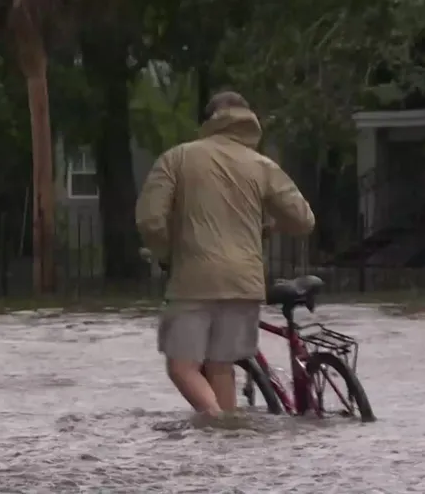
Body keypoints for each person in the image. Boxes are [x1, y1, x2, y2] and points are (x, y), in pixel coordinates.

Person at [135, 91, 315, 417]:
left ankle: (217, 422)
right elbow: (303, 219)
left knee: (182, 367)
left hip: (194, 279)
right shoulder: (262, 165)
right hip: (244, 282)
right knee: (221, 367)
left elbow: (150, 220)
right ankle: (227, 447)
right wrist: (270, 226)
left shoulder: (177, 158)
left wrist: (166, 254)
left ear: (207, 121)